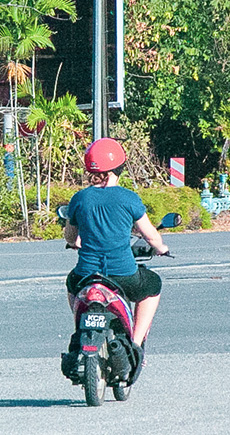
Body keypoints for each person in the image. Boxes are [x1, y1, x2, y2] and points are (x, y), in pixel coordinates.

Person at [63, 137, 169, 377]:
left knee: (72, 282)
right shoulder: (128, 198)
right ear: (119, 168)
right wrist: (161, 248)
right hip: (123, 274)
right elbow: (150, 236)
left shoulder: (80, 199)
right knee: (153, 286)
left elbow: (70, 235)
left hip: (87, 274)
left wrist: (75, 242)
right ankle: (136, 343)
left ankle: (80, 331)